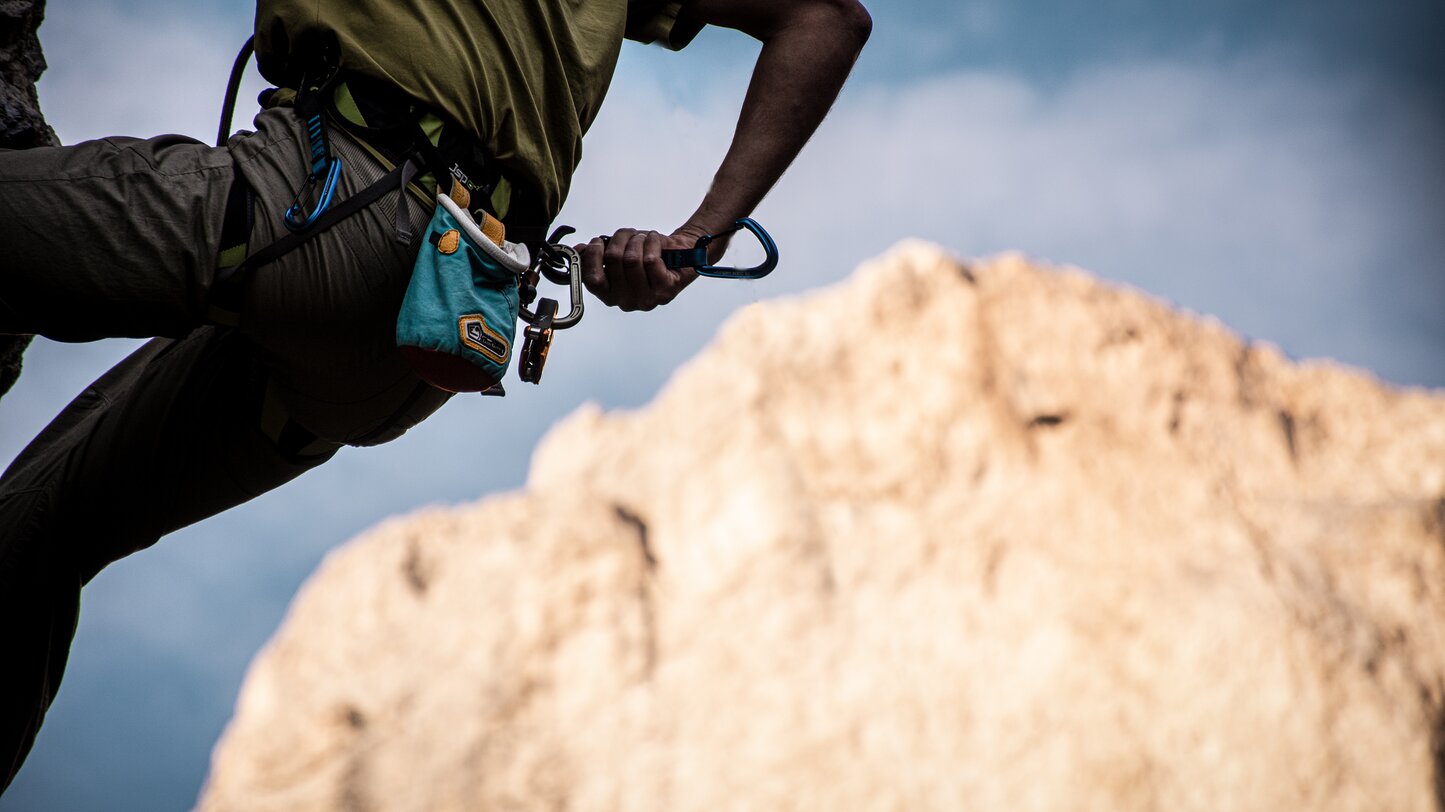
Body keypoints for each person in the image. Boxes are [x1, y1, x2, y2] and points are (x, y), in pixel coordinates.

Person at [0, 0, 871, 791]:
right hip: (426, 329)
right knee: (41, 528)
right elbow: (824, 17)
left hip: (326, 201)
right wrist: (693, 241)